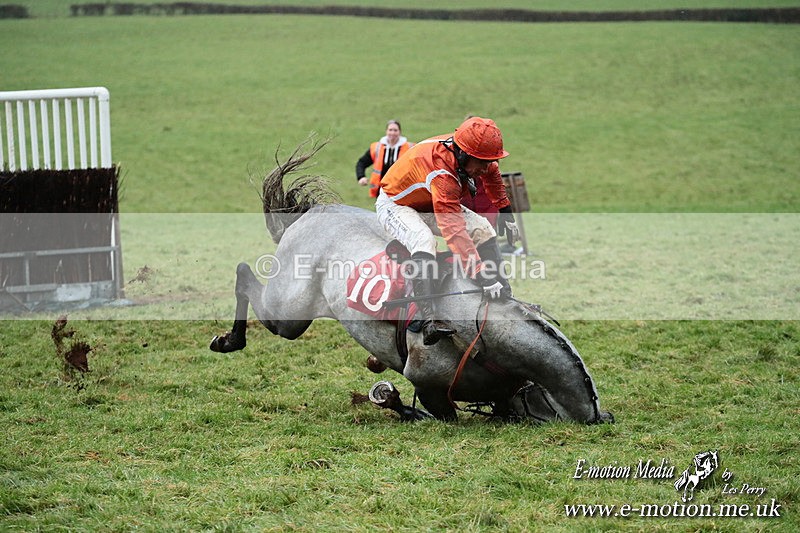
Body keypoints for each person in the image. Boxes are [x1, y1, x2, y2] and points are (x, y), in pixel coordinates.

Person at [376, 116, 519, 345]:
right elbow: (454, 231)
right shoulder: (443, 175)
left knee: (483, 229)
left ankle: (506, 297)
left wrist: (506, 211)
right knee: (423, 240)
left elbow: (492, 174)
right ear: (463, 154)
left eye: (489, 160)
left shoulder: (476, 155)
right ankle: (428, 318)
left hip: (428, 200)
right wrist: (481, 273)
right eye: (481, 162)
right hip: (396, 204)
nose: (485, 168)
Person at [355, 120, 413, 198]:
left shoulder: (409, 148)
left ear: (400, 132)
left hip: (401, 191)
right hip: (380, 191)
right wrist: (361, 177)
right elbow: (361, 163)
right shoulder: (376, 147)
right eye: (390, 130)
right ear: (386, 131)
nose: (392, 133)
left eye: (395, 130)